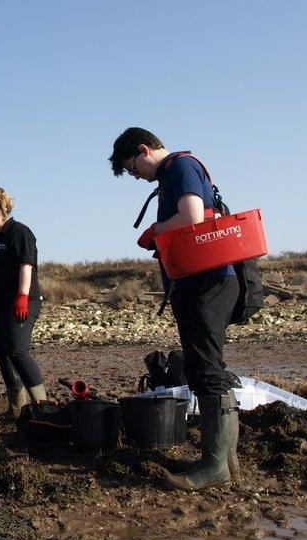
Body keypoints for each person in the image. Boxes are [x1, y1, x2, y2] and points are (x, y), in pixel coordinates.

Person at [109, 128, 241, 490]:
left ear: (143, 149)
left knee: (206, 369)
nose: (137, 176)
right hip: (206, 282)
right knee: (207, 366)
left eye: (133, 168)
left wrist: (156, 230)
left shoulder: (179, 168)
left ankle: (215, 465)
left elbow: (193, 217)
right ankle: (224, 459)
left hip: (206, 283)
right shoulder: (178, 170)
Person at [0, 188, 48, 417]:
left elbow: (26, 266)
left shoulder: (19, 233)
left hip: (20, 301)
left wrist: (22, 297)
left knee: (17, 351)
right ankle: (16, 408)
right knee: (2, 353)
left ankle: (42, 406)